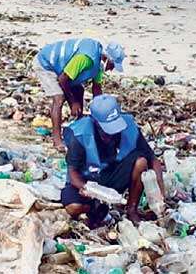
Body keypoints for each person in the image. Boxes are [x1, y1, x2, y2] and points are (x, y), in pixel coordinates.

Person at [61, 94, 165, 227]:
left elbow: (152, 159)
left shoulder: (129, 127)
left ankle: (132, 210)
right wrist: (85, 188)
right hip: (89, 180)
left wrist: (160, 192)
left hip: (113, 176)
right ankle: (97, 209)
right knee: (73, 207)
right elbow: (72, 172)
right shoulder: (80, 135)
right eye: (107, 131)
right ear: (95, 122)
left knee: (141, 162)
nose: (113, 135)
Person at [33, 38, 125, 151]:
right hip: (46, 63)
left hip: (64, 70)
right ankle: (57, 140)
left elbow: (96, 89)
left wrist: (100, 114)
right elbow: (62, 79)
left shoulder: (99, 66)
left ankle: (78, 127)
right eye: (112, 66)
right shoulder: (86, 58)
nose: (111, 70)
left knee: (79, 90)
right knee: (59, 98)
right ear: (106, 59)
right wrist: (73, 102)